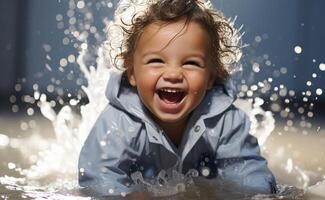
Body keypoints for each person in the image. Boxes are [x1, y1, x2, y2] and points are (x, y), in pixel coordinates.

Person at [78, 0, 276, 197]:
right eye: (156, 61)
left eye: (191, 63)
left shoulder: (227, 122)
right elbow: (98, 178)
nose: (173, 74)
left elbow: (250, 178)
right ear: (131, 73)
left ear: (210, 77)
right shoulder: (118, 123)